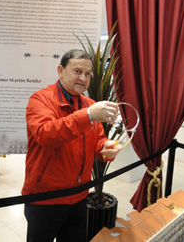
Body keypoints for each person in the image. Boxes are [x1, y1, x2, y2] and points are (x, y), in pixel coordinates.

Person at [22, 49, 122, 242]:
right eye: (77, 71)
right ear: (61, 71)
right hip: (45, 199)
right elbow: (46, 135)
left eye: (87, 74)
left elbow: (98, 141)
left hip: (79, 198)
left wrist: (106, 148)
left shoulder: (89, 104)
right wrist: (88, 116)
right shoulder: (40, 99)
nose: (83, 78)